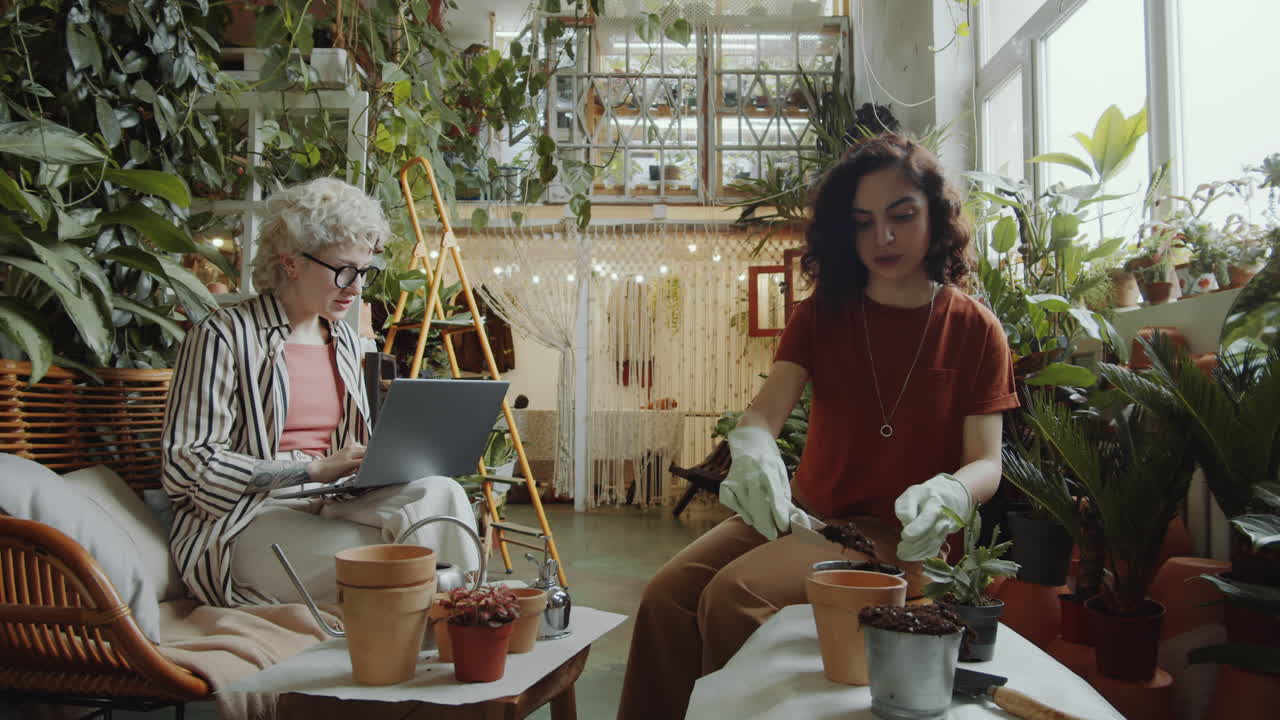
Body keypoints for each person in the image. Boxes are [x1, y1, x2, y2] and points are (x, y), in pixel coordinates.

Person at [617, 134, 1018, 719]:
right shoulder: (823, 314)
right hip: (802, 513)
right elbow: (764, 413)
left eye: (901, 215)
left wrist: (954, 490)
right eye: (862, 222)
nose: (882, 237)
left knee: (734, 599)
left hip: (892, 535)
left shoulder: (975, 329)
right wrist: (753, 446)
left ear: (935, 216)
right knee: (665, 598)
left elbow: (987, 461)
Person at [161, 177, 480, 607]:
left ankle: (459, 622)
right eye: (343, 271)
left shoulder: (347, 343)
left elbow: (342, 459)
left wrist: (386, 461)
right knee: (398, 566)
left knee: (442, 493)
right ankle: (453, 623)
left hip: (331, 501)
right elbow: (187, 466)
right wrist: (307, 471)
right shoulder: (223, 336)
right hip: (245, 521)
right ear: (291, 261)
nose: (356, 288)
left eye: (363, 272)